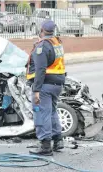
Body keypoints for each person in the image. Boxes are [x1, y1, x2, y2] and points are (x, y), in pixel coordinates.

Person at [26, 20, 66, 156]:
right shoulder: (57, 43)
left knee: (42, 113)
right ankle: (58, 140)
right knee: (52, 112)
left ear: (41, 29)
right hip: (57, 84)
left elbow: (40, 70)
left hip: (45, 85)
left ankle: (45, 146)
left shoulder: (42, 46)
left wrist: (36, 90)